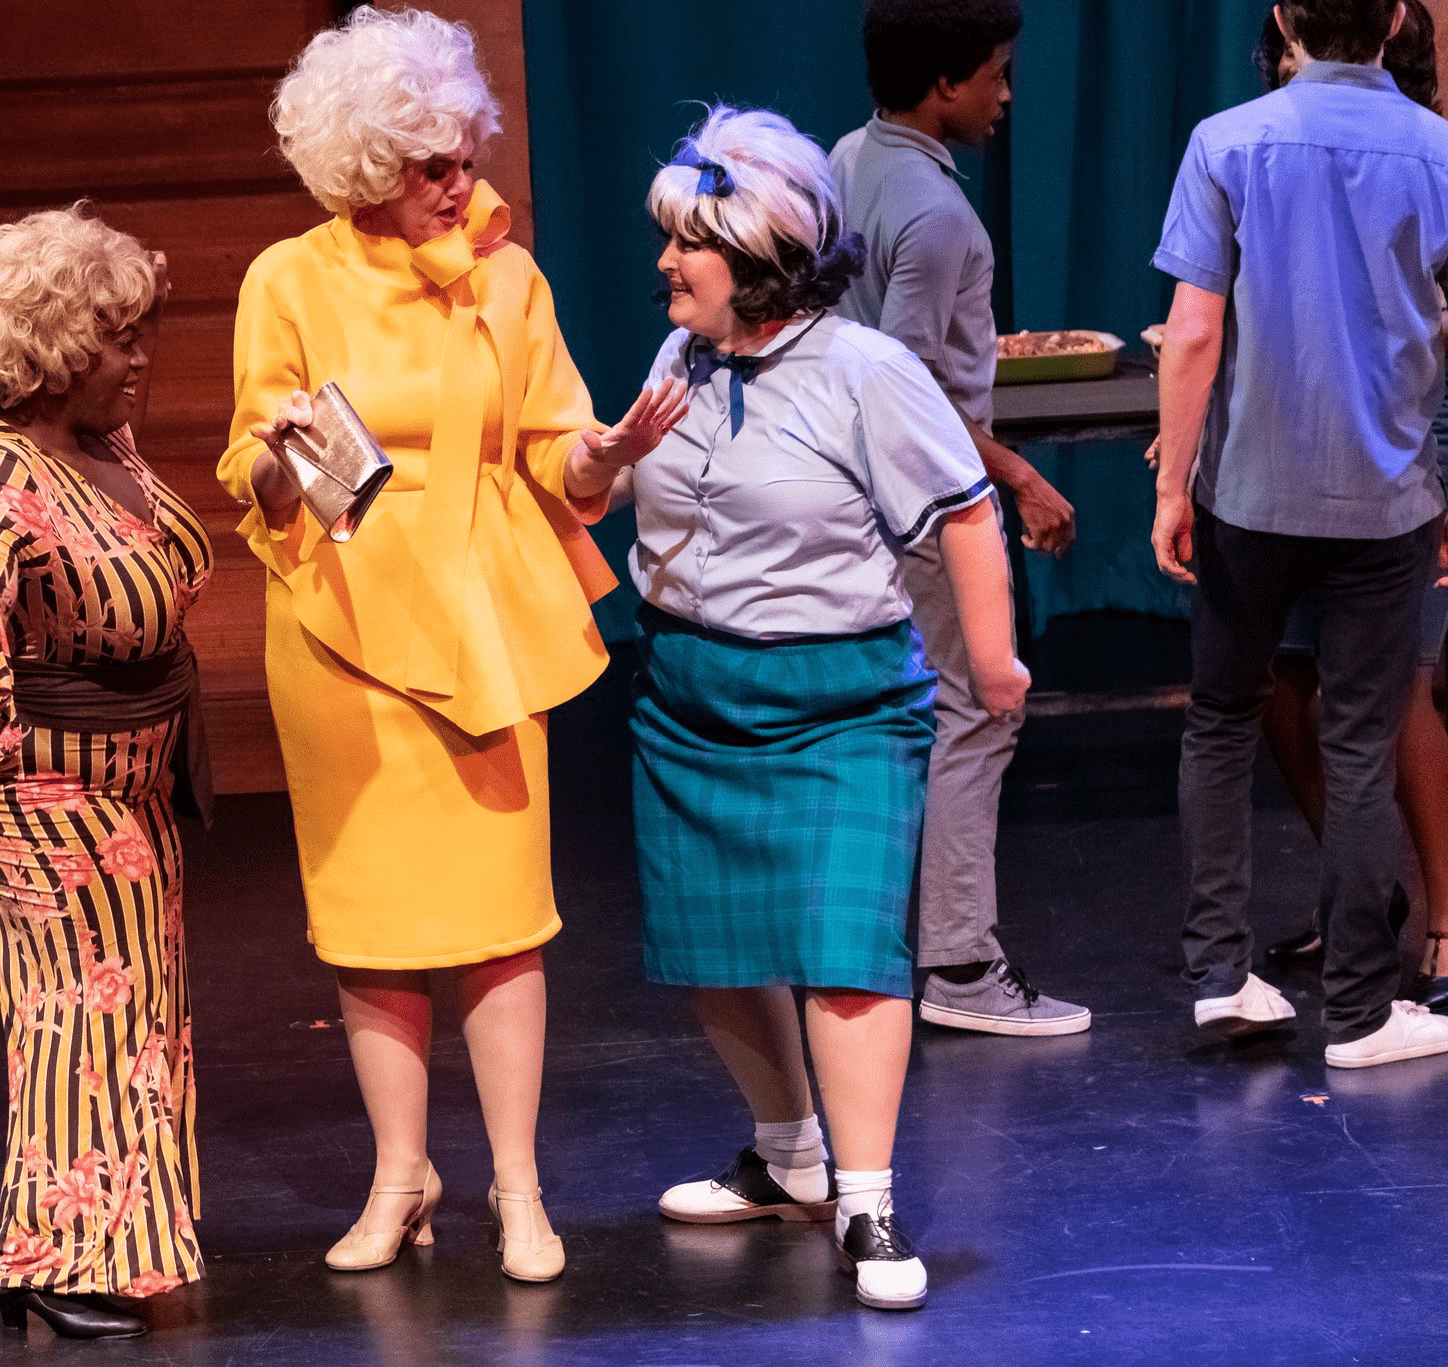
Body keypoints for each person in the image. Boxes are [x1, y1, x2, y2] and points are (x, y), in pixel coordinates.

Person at [218, 5, 684, 1285]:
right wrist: (277, 458)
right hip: (345, 628)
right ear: (368, 164)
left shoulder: (508, 276)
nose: (458, 181)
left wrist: (603, 454)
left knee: (499, 916)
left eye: (466, 156)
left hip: (481, 621)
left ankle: (517, 1186)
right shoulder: (287, 278)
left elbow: (553, 446)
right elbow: (253, 465)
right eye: (431, 165)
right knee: (371, 922)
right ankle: (399, 1176)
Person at [579, 105, 1026, 1313]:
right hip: (687, 694)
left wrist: (993, 659)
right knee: (715, 946)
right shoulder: (679, 358)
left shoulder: (864, 371)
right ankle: (788, 1156)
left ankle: (865, 1198)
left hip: (838, 701)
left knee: (844, 949)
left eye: (689, 243)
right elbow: (594, 490)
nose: (665, 263)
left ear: (760, 257)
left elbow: (965, 508)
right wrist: (604, 454)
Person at [0, 207, 208, 1339]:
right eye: (118, 338)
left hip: (122, 778)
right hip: (18, 769)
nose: (139, 358)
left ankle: (108, 1245)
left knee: (134, 996)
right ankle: (53, 1258)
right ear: (54, 343)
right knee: (83, 993)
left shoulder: (101, 442)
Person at [1152, 0, 1448, 1067]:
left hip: (1248, 493)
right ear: (1398, 18)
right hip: (1386, 495)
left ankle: (1218, 976)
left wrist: (1171, 485)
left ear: (1283, 17)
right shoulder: (1438, 150)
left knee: (1220, 721)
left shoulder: (1224, 141)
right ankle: (1362, 1013)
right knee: (1361, 739)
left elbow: (1193, 329)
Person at [829, 0, 1089, 1038]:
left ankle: (884, 948)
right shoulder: (938, 217)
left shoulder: (846, 158)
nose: (1006, 94)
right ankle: (961, 962)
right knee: (979, 706)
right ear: (943, 86)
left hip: (859, 494)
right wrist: (1019, 477)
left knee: (901, 716)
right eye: (994, 74)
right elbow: (902, 385)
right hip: (924, 499)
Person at [1242, 2, 1448, 1013]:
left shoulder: (1423, 152)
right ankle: (1360, 896)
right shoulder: (1258, 144)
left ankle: (1445, 920)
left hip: (1405, 444)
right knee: (1279, 681)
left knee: (1399, 686)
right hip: (1289, 456)